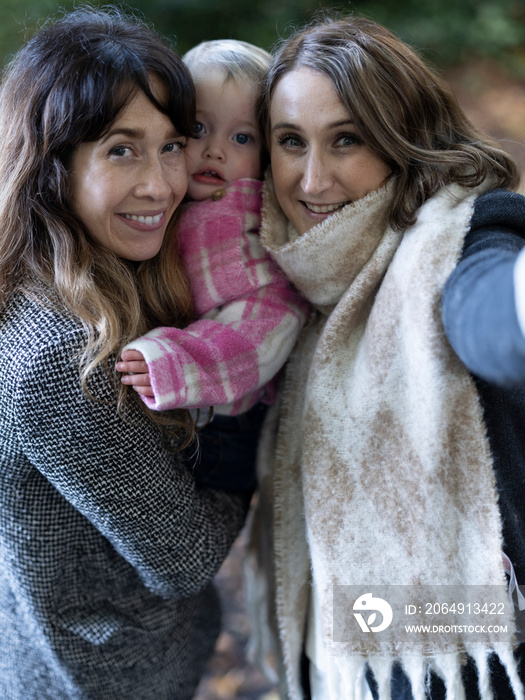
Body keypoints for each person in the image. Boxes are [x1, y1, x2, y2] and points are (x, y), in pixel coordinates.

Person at [0, 8, 306, 699]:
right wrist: (254, 417)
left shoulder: (99, 265)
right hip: (104, 678)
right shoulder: (59, 355)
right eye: (120, 149)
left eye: (171, 145)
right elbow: (184, 556)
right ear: (51, 165)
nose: (162, 183)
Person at [243, 14, 525, 700]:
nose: (312, 179)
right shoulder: (276, 281)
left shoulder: (463, 235)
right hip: (341, 658)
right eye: (290, 142)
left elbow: (485, 312)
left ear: (404, 139)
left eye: (346, 139)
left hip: (467, 658)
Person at [116, 39, 307, 489]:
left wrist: (175, 360)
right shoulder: (171, 200)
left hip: (221, 426)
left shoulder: (250, 230)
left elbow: (260, 335)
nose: (215, 150)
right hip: (179, 398)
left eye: (241, 138)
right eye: (198, 129)